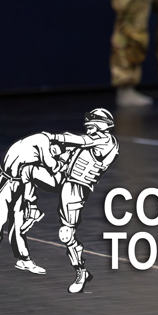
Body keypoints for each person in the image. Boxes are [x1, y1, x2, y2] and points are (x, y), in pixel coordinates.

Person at [0, 132, 65, 288]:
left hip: (19, 182)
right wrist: (63, 165)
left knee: (18, 222)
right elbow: (52, 166)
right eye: (55, 152)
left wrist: (31, 204)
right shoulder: (42, 141)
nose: (55, 155)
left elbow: (29, 176)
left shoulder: (38, 151)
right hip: (5, 181)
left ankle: (23, 259)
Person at [56, 108, 120, 293]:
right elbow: (71, 155)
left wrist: (56, 138)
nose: (89, 129)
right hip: (65, 180)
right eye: (88, 126)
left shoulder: (105, 141)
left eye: (92, 126)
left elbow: (82, 141)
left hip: (77, 186)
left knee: (66, 234)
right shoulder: (89, 142)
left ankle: (80, 272)